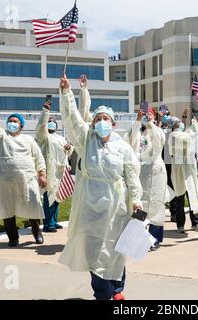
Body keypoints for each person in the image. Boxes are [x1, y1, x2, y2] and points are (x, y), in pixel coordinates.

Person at [57, 75, 143, 301]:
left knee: (116, 249)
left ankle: (116, 289)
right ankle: (102, 295)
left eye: (106, 119)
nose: (102, 122)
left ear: (113, 123)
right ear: (94, 123)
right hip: (90, 204)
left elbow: (132, 175)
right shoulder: (86, 140)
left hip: (116, 206)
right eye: (98, 119)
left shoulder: (123, 147)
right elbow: (73, 120)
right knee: (95, 251)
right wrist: (67, 94)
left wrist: (136, 199)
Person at [0, 96, 47, 247]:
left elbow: (38, 157)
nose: (12, 123)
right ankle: (13, 237)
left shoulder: (29, 139)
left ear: (21, 125)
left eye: (15, 121)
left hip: (27, 179)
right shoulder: (1, 137)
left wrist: (42, 174)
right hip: (4, 180)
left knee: (32, 204)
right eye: (10, 121)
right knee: (7, 208)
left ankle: (36, 232)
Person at [124, 107, 167, 251]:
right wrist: (137, 122)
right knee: (139, 206)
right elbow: (129, 142)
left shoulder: (157, 131)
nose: (146, 117)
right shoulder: (136, 131)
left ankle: (155, 239)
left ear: (154, 117)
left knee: (155, 207)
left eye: (149, 115)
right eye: (144, 115)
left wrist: (151, 125)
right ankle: (140, 238)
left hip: (156, 174)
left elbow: (159, 142)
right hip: (139, 173)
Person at [36, 99, 74, 233]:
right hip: (50, 171)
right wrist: (46, 112)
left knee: (57, 198)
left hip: (61, 171)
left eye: (53, 121)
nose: (51, 122)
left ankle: (54, 220)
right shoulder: (44, 136)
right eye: (49, 121)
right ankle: (48, 223)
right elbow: (41, 126)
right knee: (49, 197)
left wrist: (70, 147)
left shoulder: (60, 138)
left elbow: (68, 151)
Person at [168, 109, 198, 234]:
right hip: (178, 170)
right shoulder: (172, 136)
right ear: (174, 127)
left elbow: (193, 133)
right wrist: (193, 128)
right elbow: (185, 136)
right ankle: (180, 224)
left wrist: (194, 123)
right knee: (180, 198)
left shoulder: (185, 134)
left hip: (189, 169)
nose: (180, 125)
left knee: (192, 195)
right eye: (177, 124)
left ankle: (196, 222)